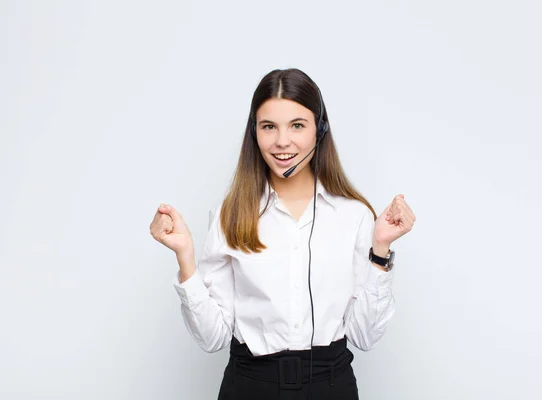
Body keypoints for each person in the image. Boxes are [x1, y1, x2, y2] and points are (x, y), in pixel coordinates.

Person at [149, 68, 416, 399]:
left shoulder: (355, 216)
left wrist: (380, 250)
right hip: (249, 385)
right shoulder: (231, 215)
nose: (282, 141)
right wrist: (186, 258)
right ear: (255, 132)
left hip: (330, 384)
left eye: (297, 125)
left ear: (320, 130)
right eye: (269, 127)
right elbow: (212, 339)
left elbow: (365, 337)